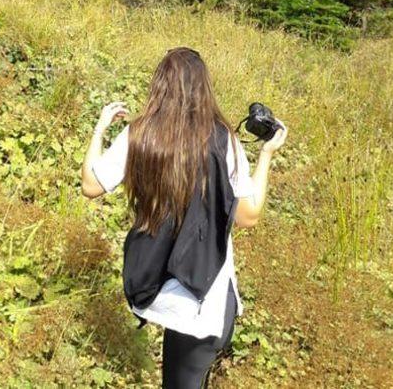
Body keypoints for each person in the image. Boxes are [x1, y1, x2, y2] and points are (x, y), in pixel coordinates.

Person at [81, 47, 288, 389]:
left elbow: (91, 185)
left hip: (166, 290)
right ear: (204, 88)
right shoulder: (225, 140)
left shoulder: (139, 135)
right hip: (206, 298)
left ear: (159, 86)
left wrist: (100, 129)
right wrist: (266, 155)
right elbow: (248, 216)